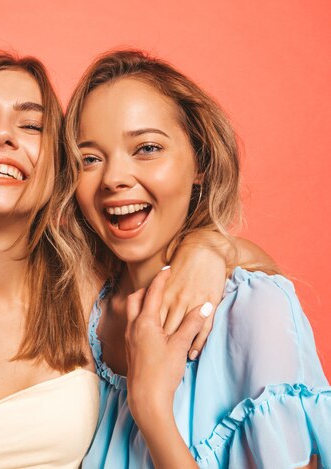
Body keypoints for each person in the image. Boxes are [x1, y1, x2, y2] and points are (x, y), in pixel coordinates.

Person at [0, 53, 272, 469]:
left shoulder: (87, 285)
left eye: (31, 125)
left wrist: (209, 248)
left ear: (57, 164)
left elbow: (267, 276)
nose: (3, 136)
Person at [65, 49, 330, 468]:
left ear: (200, 163)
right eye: (90, 159)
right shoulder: (80, 314)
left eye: (147, 148)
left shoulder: (254, 309)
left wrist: (151, 407)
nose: (114, 178)